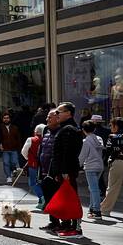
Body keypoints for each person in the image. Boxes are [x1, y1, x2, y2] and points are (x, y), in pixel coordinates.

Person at [45, 101, 84, 237]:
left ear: (68, 113)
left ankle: (75, 226)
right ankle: (67, 224)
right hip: (63, 170)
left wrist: (64, 171)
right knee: (66, 199)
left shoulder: (70, 129)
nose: (56, 115)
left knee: (71, 199)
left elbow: (68, 153)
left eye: (58, 112)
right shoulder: (65, 128)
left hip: (67, 171)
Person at [80, 119, 106, 220]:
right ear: (94, 129)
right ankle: (91, 209)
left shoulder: (85, 141)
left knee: (94, 189)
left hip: (90, 166)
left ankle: (96, 210)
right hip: (100, 166)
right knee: (93, 188)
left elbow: (82, 156)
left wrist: (78, 165)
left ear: (83, 130)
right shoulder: (99, 139)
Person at [21, 123, 46, 209]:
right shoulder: (46, 139)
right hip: (44, 165)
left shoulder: (31, 139)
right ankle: (41, 201)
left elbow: (23, 152)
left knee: (32, 182)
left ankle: (42, 198)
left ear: (36, 131)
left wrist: (28, 158)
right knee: (42, 182)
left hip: (33, 164)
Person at [0, 111, 24, 183]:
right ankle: (8, 176)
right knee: (6, 162)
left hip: (14, 149)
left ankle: (13, 170)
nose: (6, 119)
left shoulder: (15, 128)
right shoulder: (0, 127)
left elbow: (18, 138)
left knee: (14, 162)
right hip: (5, 149)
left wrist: (20, 148)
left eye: (7, 118)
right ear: (2, 119)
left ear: (10, 119)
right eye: (4, 118)